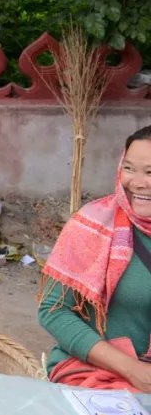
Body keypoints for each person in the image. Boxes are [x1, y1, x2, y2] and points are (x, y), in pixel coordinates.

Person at [39, 126, 151, 392]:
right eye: (129, 168)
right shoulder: (93, 227)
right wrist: (132, 370)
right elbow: (53, 311)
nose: (137, 182)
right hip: (96, 374)